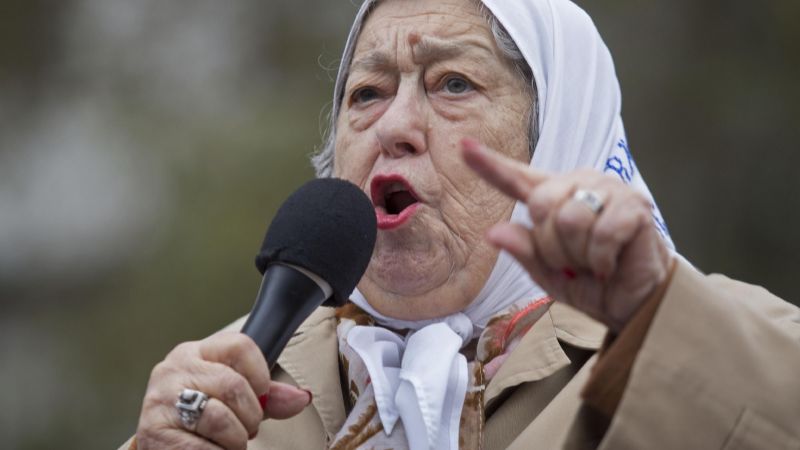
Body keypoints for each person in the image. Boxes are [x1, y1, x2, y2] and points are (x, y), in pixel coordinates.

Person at [123, 0, 800, 448]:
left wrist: (655, 319)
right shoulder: (228, 391)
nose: (393, 127)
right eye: (367, 93)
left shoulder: (694, 338)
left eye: (453, 84)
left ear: (561, 138)